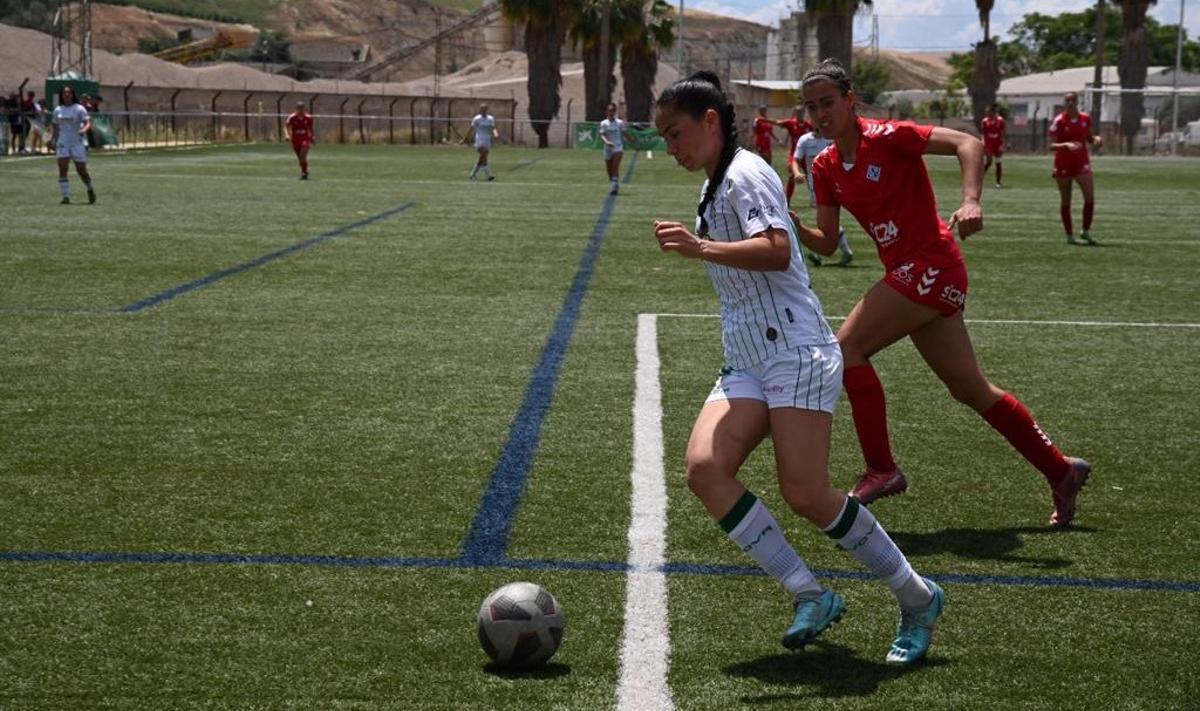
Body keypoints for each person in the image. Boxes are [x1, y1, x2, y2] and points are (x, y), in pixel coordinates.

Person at [652, 70, 945, 666]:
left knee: (807, 494)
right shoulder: (714, 186)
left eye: (676, 133)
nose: (670, 147)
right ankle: (810, 594)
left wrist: (699, 246)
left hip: (796, 351)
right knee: (706, 470)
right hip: (747, 357)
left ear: (711, 122)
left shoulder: (745, 173)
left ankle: (917, 597)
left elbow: (780, 249)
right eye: (663, 137)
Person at [791, 58, 1090, 527]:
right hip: (916, 278)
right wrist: (792, 227)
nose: (820, 114)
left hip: (932, 265)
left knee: (846, 348)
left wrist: (972, 199)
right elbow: (828, 242)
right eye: (811, 108)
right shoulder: (825, 165)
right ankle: (1061, 469)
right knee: (970, 389)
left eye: (828, 103)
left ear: (850, 100)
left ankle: (882, 469)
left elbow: (968, 142)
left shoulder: (888, 137)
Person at [791, 117, 853, 267]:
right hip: (815, 186)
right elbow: (795, 159)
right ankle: (843, 252)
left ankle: (823, 253)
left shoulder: (831, 139)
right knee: (827, 222)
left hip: (833, 185)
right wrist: (796, 173)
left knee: (826, 221)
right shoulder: (805, 140)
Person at [1049, 91, 1101, 245]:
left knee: (1089, 197)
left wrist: (1096, 139)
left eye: (1073, 100)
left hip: (1081, 163)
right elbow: (1051, 145)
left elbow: (1090, 139)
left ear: (1077, 101)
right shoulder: (1058, 121)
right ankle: (1069, 235)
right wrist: (1065, 145)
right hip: (1063, 163)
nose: (1070, 102)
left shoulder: (1085, 118)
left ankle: (1085, 231)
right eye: (1067, 100)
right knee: (1066, 200)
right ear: (1064, 103)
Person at [49, 85, 96, 204]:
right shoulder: (58, 110)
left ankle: (90, 188)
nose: (66, 94)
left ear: (72, 94)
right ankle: (66, 197)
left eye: (68, 92)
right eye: (64, 92)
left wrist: (84, 130)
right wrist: (52, 139)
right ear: (62, 95)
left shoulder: (79, 108)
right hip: (63, 143)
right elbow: (55, 127)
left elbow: (88, 123)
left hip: (77, 143)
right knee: (63, 168)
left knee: (81, 170)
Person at [772, 104, 812, 205]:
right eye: (798, 112)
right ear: (796, 113)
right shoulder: (791, 123)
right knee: (791, 176)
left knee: (810, 176)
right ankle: (787, 200)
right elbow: (777, 123)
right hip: (794, 154)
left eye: (801, 112)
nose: (799, 114)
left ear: (803, 113)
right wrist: (763, 119)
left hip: (806, 155)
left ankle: (814, 198)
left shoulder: (808, 125)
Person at [599, 102, 631, 195]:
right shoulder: (604, 123)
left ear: (615, 111)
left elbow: (625, 133)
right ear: (606, 112)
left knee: (615, 167)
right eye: (609, 110)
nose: (611, 112)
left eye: (612, 110)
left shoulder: (620, 123)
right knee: (609, 170)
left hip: (617, 147)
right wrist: (607, 142)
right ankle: (614, 183)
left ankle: (614, 187)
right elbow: (602, 135)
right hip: (608, 148)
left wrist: (632, 141)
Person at [285, 101, 314, 180]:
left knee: (302, 155)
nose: (301, 110)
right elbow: (286, 126)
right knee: (301, 158)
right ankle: (304, 172)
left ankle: (304, 172)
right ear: (297, 109)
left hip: (305, 139)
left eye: (302, 108)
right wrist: (287, 134)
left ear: (304, 109)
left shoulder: (308, 118)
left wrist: (312, 137)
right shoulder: (292, 117)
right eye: (299, 108)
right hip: (295, 140)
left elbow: (310, 129)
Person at [469, 103, 498, 181]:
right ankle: (489, 175)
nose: (483, 110)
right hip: (479, 140)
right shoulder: (476, 118)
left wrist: (496, 134)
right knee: (483, 155)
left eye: (484, 109)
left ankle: (472, 175)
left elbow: (493, 128)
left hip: (487, 140)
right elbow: (471, 129)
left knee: (482, 158)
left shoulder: (490, 118)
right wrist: (465, 139)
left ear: (487, 109)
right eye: (481, 109)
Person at [981, 103, 1006, 189]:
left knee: (998, 162)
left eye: (988, 111)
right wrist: (983, 141)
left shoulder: (1000, 120)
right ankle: (979, 179)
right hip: (989, 144)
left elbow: (1003, 133)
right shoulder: (984, 121)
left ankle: (998, 183)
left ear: (993, 111)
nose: (986, 112)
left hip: (997, 143)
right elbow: (983, 133)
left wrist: (1003, 144)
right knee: (988, 162)